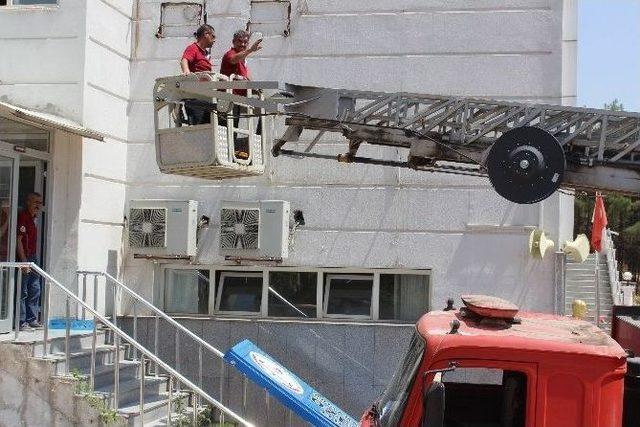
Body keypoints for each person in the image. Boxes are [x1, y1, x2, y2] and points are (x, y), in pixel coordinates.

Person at [220, 30, 263, 157]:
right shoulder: (230, 54)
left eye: (245, 42)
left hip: (237, 100)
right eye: (240, 41)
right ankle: (226, 153)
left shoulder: (243, 61)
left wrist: (256, 89)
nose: (243, 44)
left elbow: (248, 77)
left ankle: (236, 151)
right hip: (227, 100)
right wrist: (250, 50)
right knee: (228, 128)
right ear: (233, 42)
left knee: (234, 127)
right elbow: (233, 59)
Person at [180, 24, 216, 125]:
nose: (214, 40)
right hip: (195, 96)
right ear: (206, 34)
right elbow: (184, 60)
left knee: (208, 125)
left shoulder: (205, 53)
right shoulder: (193, 48)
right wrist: (187, 72)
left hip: (205, 94)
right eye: (213, 36)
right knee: (199, 125)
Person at [16, 192, 43, 330]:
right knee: (23, 290)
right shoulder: (23, 217)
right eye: (35, 202)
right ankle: (21, 321)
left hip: (33, 257)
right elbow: (18, 240)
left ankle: (32, 318)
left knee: (35, 287)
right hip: (24, 258)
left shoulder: (35, 218)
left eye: (40, 203)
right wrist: (24, 261)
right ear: (28, 202)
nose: (38, 205)